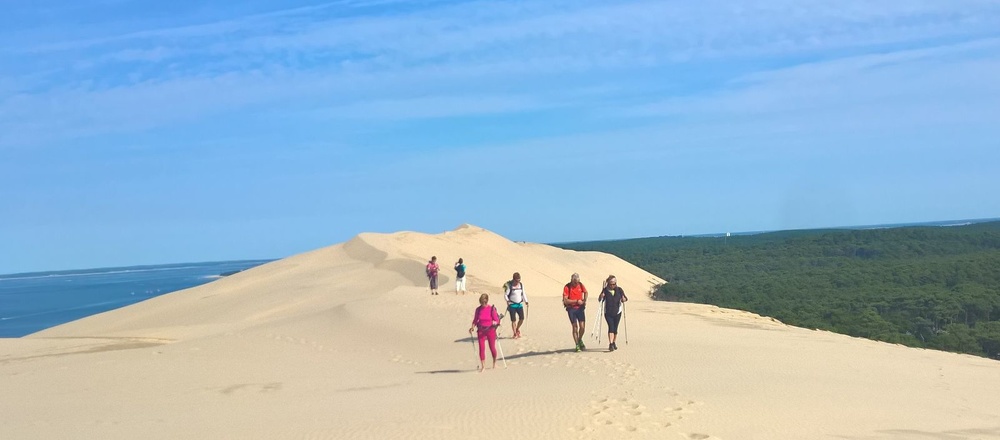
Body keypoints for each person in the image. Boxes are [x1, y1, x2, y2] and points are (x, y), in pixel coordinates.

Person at [469, 293, 500, 372]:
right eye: (482, 302)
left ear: (487, 301)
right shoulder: (478, 309)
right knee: (481, 348)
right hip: (481, 330)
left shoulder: (491, 309)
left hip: (490, 330)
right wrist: (472, 327)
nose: (483, 304)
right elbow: (475, 320)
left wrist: (494, 323)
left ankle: (494, 363)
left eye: (485, 302)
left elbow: (497, 320)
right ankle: (483, 366)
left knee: (492, 347)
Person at [598, 275, 628, 351]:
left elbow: (625, 298)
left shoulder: (619, 290)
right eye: (611, 284)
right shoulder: (605, 290)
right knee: (611, 327)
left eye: (614, 284)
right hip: (608, 312)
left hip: (618, 312)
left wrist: (623, 299)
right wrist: (601, 296)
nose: (612, 286)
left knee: (615, 328)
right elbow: (600, 299)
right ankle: (611, 344)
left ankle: (614, 342)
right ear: (608, 283)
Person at [562, 273, 589, 351]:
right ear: (572, 280)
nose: (576, 284)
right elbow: (565, 300)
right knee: (575, 327)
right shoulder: (567, 287)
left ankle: (579, 339)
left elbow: (586, 292)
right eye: (575, 282)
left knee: (582, 327)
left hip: (580, 308)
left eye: (577, 282)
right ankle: (577, 344)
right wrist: (576, 301)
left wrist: (584, 300)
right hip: (571, 309)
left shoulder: (580, 285)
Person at [504, 272, 529, 338]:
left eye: (519, 280)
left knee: (522, 318)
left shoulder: (521, 285)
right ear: (514, 279)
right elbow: (506, 295)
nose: (518, 282)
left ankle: (517, 329)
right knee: (513, 320)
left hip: (519, 304)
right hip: (512, 305)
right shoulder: (510, 286)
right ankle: (515, 333)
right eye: (517, 280)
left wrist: (526, 301)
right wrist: (508, 301)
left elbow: (523, 293)